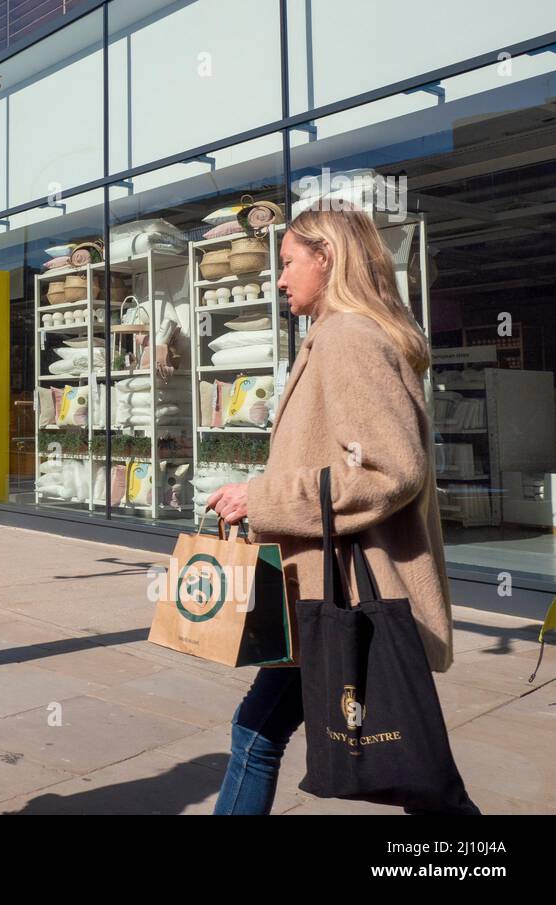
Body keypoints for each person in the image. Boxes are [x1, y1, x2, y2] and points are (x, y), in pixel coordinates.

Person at [206, 206, 477, 816]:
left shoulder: (348, 338)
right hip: (328, 591)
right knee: (269, 732)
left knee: (414, 771)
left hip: (350, 594)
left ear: (326, 258)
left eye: (287, 263)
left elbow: (388, 470)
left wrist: (262, 497)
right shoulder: (338, 334)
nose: (278, 279)